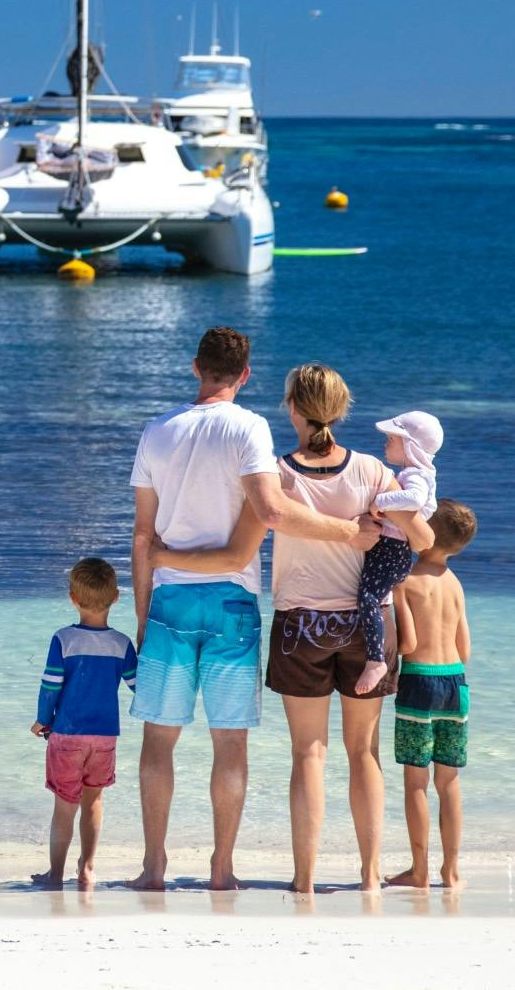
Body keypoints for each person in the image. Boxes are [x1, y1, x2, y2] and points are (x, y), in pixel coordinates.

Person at [163, 362, 434, 893]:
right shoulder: (372, 471)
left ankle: (305, 880)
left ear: (291, 408)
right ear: (341, 410)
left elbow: (240, 547)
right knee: (364, 753)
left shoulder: (276, 475)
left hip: (299, 625)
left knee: (309, 752)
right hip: (367, 626)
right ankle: (370, 876)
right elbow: (422, 540)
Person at [126, 330, 378, 892]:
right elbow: (272, 511)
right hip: (233, 603)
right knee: (230, 743)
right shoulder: (249, 428)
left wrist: (142, 618)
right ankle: (222, 868)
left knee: (158, 741)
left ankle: (153, 866)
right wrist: (350, 533)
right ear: (245, 375)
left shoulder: (156, 431)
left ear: (196, 367)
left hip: (169, 599)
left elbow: (142, 536)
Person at [29, 556, 138, 890]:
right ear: (116, 597)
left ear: (72, 598)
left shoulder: (63, 640)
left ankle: (55, 875)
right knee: (94, 801)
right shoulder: (122, 644)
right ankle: (87, 868)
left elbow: (50, 687)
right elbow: (138, 686)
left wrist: (42, 720)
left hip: (67, 735)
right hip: (105, 737)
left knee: (65, 806)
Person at [387, 499, 476, 890]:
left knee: (415, 784)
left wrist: (394, 601)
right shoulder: (455, 584)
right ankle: (451, 871)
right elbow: (464, 650)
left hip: (419, 684)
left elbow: (408, 645)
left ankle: (419, 869)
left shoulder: (406, 581)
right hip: (455, 684)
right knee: (449, 782)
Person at [353, 411, 444, 695]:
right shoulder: (412, 473)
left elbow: (414, 499)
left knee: (368, 597)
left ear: (410, 446)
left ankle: (375, 660)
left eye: (392, 439)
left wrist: (380, 501)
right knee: (370, 596)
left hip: (393, 550)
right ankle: (375, 657)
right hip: (392, 549)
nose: (386, 443)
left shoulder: (417, 474)